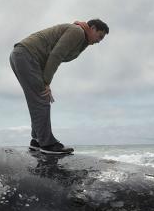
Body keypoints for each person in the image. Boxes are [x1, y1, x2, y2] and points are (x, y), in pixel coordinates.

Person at [9, 18, 109, 155]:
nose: (99, 41)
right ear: (92, 28)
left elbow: (53, 55)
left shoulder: (82, 39)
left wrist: (44, 81)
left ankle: (37, 140)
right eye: (100, 36)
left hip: (23, 56)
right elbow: (56, 55)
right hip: (26, 55)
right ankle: (47, 144)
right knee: (42, 99)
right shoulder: (77, 32)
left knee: (38, 100)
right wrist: (46, 82)